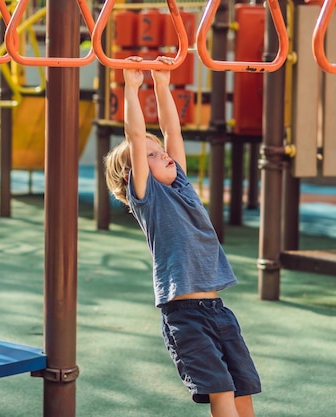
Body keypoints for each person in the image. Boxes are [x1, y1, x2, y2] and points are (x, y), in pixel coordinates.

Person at [104, 55, 261, 417]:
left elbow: (173, 132)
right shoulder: (148, 197)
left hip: (218, 311)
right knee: (221, 391)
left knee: (243, 392)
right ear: (135, 173)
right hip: (185, 315)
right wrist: (132, 87)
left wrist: (162, 83)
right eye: (153, 156)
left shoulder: (183, 187)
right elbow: (134, 136)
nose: (166, 156)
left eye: (162, 153)